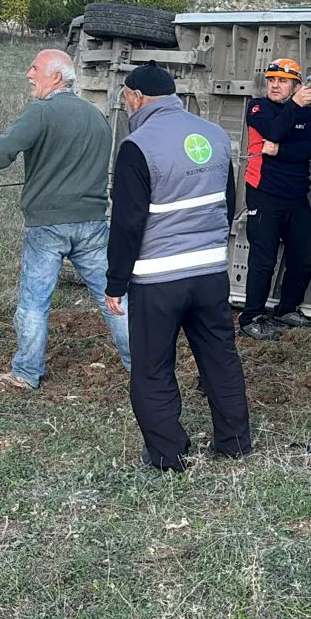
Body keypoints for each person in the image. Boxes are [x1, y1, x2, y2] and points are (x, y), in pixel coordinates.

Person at [0, 49, 130, 390]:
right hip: (93, 224)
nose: (29, 74)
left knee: (34, 301)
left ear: (56, 77)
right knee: (113, 298)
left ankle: (26, 373)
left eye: (35, 68)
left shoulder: (41, 113)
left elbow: (1, 151)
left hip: (47, 226)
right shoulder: (97, 117)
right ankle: (140, 365)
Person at [104, 62, 252, 471]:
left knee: (152, 369)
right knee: (220, 358)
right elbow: (228, 203)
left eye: (126, 99)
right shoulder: (215, 135)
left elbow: (127, 224)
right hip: (209, 273)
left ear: (136, 97)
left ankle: (169, 455)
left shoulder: (138, 146)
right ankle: (235, 442)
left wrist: (115, 281)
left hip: (157, 279)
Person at [239, 58, 311, 341]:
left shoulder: (308, 115)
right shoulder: (258, 107)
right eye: (271, 80)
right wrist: (293, 106)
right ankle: (251, 317)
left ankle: (287, 309)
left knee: (304, 259)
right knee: (263, 260)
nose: (275, 85)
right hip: (264, 193)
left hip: (296, 194)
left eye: (283, 81)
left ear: (296, 85)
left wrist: (280, 151)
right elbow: (272, 132)